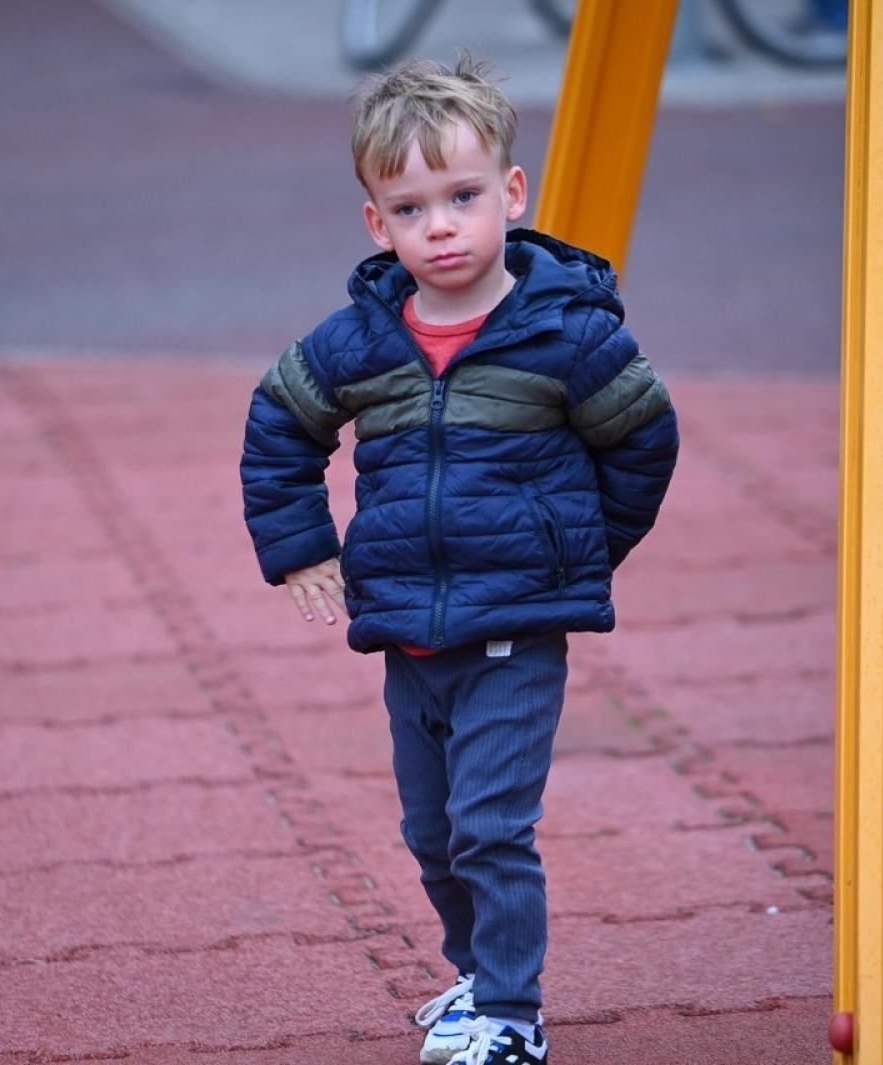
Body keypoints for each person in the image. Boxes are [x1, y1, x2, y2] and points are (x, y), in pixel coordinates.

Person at [239, 53, 678, 1065]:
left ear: (510, 196)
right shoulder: (362, 341)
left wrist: (570, 549)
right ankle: (479, 979)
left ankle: (515, 1020)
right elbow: (278, 422)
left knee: (489, 828)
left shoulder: (564, 338)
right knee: (432, 835)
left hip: (513, 637)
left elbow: (644, 439)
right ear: (376, 225)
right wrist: (299, 545)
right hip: (408, 636)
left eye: (463, 197)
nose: (439, 226)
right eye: (409, 207)